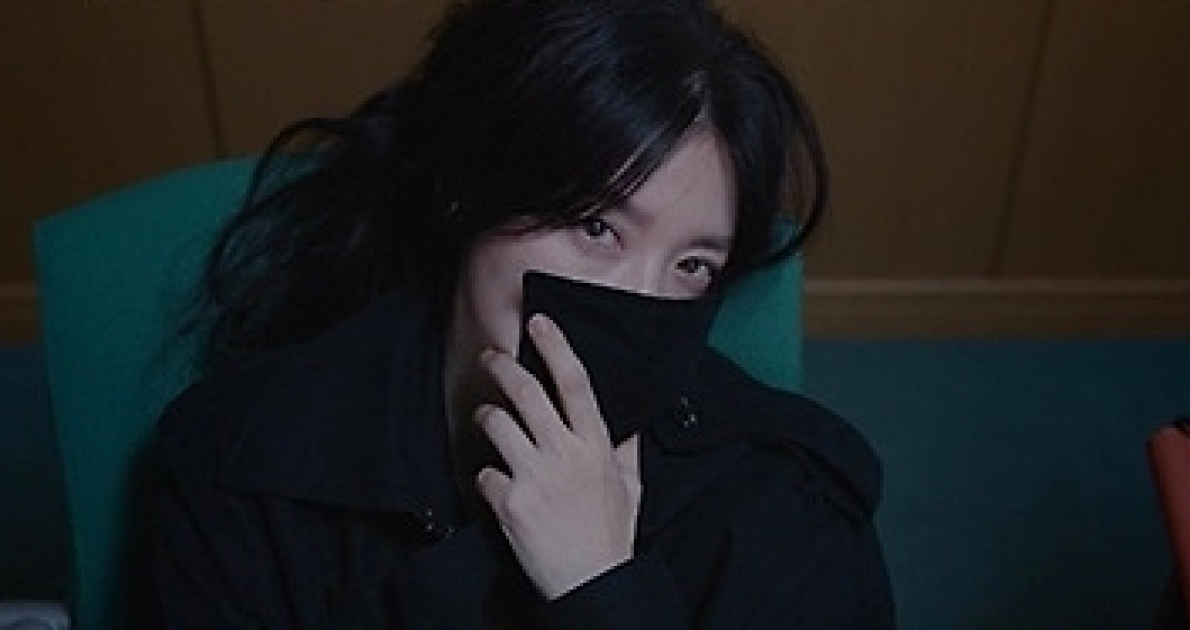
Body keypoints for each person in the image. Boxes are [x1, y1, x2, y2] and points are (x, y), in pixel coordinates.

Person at [153, 0, 895, 626]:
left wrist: (602, 589)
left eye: (692, 265)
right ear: (467, 191)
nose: (640, 303)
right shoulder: (241, 462)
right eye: (597, 228)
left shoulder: (787, 508)